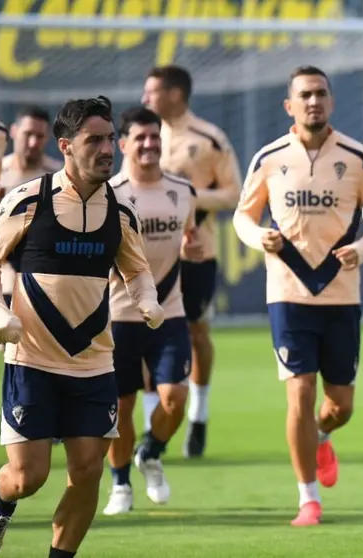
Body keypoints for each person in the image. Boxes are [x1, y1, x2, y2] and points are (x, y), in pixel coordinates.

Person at [0, 96, 163, 557]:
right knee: (27, 478)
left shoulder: (121, 211)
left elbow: (137, 270)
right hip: (31, 359)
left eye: (110, 138)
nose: (108, 148)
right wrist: (0, 314)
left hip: (93, 364)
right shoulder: (29, 200)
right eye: (95, 140)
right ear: (67, 146)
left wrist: (147, 299)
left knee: (88, 470)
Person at [233, 65, 363, 526]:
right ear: (289, 106)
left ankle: (321, 434)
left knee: (341, 407)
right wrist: (260, 239)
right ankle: (308, 499)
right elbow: (242, 217)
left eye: (320, 94)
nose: (313, 101)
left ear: (331, 101)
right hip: (288, 294)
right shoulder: (270, 158)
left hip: (340, 296)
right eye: (304, 95)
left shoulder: (356, 158)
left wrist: (361, 249)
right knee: (299, 391)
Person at [102, 107, 201, 515]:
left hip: (170, 312)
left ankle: (152, 452)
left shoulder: (183, 189)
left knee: (176, 396)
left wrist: (188, 249)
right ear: (123, 144)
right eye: (139, 138)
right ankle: (121, 484)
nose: (148, 144)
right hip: (118, 316)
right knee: (121, 406)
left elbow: (189, 236)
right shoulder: (107, 193)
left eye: (154, 137)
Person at [141, 65, 243, 458]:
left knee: (198, 333)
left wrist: (184, 195)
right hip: (150, 255)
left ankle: (198, 417)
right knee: (149, 330)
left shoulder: (209, 138)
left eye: (152, 91)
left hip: (197, 253)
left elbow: (234, 194)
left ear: (175, 94)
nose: (145, 98)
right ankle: (155, 429)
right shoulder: (141, 136)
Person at [0, 106, 63, 341]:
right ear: (14, 132)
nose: (34, 142)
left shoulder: (56, 177)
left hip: (40, 268)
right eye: (28, 134)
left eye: (40, 136)